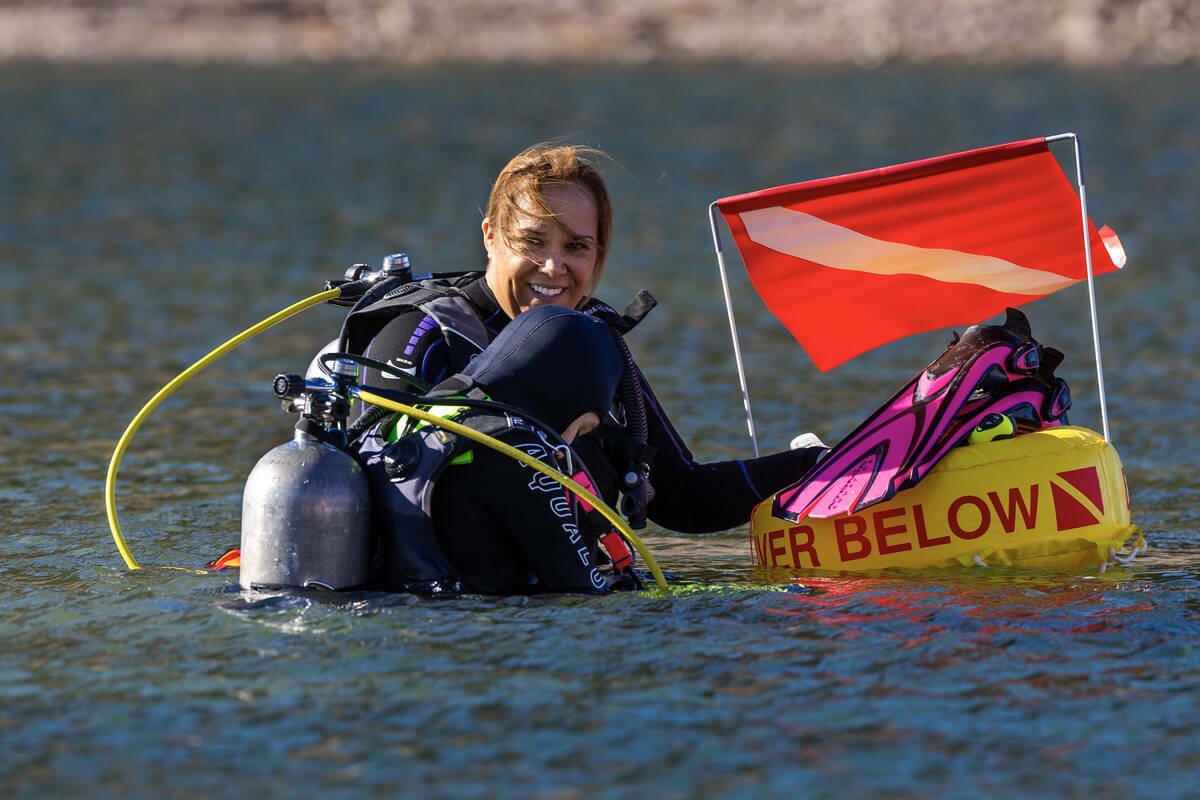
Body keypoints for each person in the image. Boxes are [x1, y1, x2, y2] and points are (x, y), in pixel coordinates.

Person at [339, 142, 827, 537]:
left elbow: (683, 498)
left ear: (599, 255)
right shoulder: (424, 332)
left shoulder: (595, 337)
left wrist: (827, 465)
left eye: (576, 246)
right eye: (533, 242)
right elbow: (379, 481)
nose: (554, 267)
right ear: (490, 236)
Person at [356, 304, 633, 595]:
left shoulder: (424, 412)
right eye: (582, 426)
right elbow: (578, 583)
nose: (570, 442)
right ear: (562, 395)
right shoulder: (518, 448)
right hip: (464, 621)